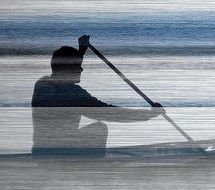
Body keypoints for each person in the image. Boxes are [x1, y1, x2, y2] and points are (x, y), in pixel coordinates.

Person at [31, 34, 164, 156]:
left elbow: (62, 73)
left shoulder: (42, 84)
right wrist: (148, 114)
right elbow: (109, 113)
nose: (82, 69)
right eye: (78, 66)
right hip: (60, 154)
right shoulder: (73, 94)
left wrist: (81, 50)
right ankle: (92, 170)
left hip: (40, 152)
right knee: (99, 129)